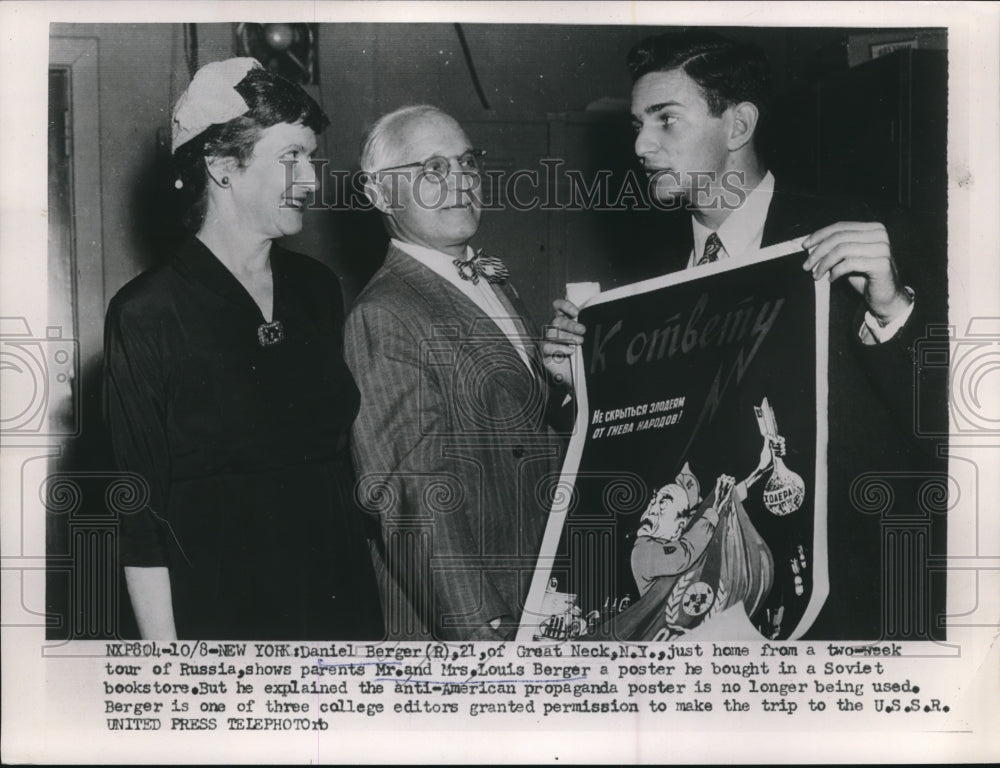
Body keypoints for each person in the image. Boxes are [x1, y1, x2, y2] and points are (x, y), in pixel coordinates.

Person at [544, 30, 946, 639]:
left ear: (737, 127)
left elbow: (956, 429)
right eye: (637, 125)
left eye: (665, 121)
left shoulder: (866, 239)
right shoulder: (643, 286)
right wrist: (581, 388)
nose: (642, 145)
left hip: (855, 611)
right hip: (705, 616)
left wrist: (893, 308)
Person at [104, 58, 383, 640]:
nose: (309, 179)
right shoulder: (148, 313)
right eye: (290, 159)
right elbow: (141, 517)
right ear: (223, 166)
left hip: (337, 592)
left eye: (310, 157)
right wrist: (169, 672)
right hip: (225, 607)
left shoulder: (316, 289)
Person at [344, 105, 572, 641]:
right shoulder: (384, 313)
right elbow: (409, 493)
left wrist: (560, 386)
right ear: (379, 195)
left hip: (535, 589)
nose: (461, 182)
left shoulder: (493, 279)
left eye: (467, 163)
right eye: (432, 169)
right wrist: (481, 626)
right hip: (472, 615)